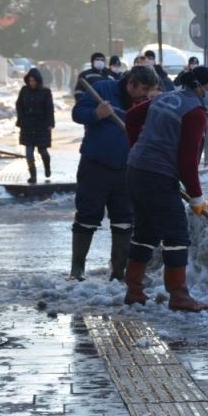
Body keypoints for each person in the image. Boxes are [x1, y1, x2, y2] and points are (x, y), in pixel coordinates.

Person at [123, 66, 208, 312]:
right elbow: (187, 160)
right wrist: (196, 196)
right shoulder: (195, 112)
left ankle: (134, 290)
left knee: (145, 231)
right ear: (198, 85)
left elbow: (132, 117)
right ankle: (179, 295)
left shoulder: (165, 97)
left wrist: (139, 147)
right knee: (176, 234)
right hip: (157, 175)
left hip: (136, 169)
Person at [69, 66, 160, 282]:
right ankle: (77, 269)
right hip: (95, 165)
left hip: (128, 169)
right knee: (87, 216)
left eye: (151, 90)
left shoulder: (149, 102)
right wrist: (96, 113)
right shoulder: (103, 89)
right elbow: (77, 114)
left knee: (124, 219)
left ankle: (118, 271)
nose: (147, 94)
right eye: (144, 89)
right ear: (131, 83)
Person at [16, 68, 55, 184]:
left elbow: (50, 108)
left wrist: (50, 123)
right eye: (30, 80)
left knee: (43, 151)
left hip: (41, 124)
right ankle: (33, 175)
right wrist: (21, 118)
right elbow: (19, 104)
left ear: (38, 80)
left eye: (34, 80)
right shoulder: (24, 90)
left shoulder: (46, 92)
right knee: (28, 153)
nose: (32, 83)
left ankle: (47, 167)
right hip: (27, 124)